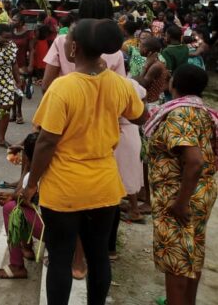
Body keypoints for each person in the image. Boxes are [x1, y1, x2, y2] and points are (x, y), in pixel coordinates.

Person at [23, 19, 148, 305]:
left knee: (61, 257)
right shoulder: (120, 85)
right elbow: (141, 116)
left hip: (64, 188)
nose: (64, 43)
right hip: (104, 186)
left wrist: (30, 183)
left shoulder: (62, 88)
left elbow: (46, 141)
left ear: (75, 47)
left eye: (66, 41)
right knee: (99, 255)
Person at [144, 64, 217, 305]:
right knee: (192, 253)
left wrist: (181, 203)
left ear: (174, 84)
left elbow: (194, 161)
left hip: (179, 195)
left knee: (175, 260)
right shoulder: (203, 111)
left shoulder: (179, 114)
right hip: (200, 192)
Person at [0, 132, 44, 280]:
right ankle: (26, 248)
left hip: (53, 231)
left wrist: (26, 167)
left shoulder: (31, 177)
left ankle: (17, 265)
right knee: (19, 204)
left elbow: (22, 197)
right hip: (73, 231)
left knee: (11, 208)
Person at [11, 15, 33, 124]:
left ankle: (19, 113)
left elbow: (32, 50)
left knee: (19, 90)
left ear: (21, 22)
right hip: (9, 64)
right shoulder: (10, 32)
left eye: (15, 20)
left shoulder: (28, 34)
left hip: (21, 65)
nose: (12, 21)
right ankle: (14, 112)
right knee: (11, 90)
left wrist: (31, 66)